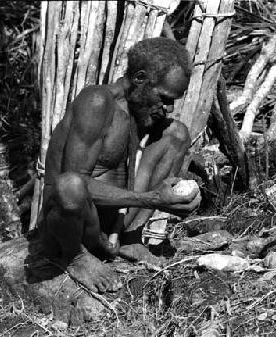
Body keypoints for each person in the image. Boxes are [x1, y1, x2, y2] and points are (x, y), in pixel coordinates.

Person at [37, 37, 201, 293]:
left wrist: (178, 196)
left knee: (177, 134)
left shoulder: (137, 111)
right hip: (72, 227)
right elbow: (73, 186)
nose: (168, 108)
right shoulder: (97, 102)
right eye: (164, 98)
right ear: (139, 79)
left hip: (113, 228)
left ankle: (131, 238)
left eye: (174, 101)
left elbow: (152, 163)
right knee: (71, 185)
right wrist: (151, 198)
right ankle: (75, 257)